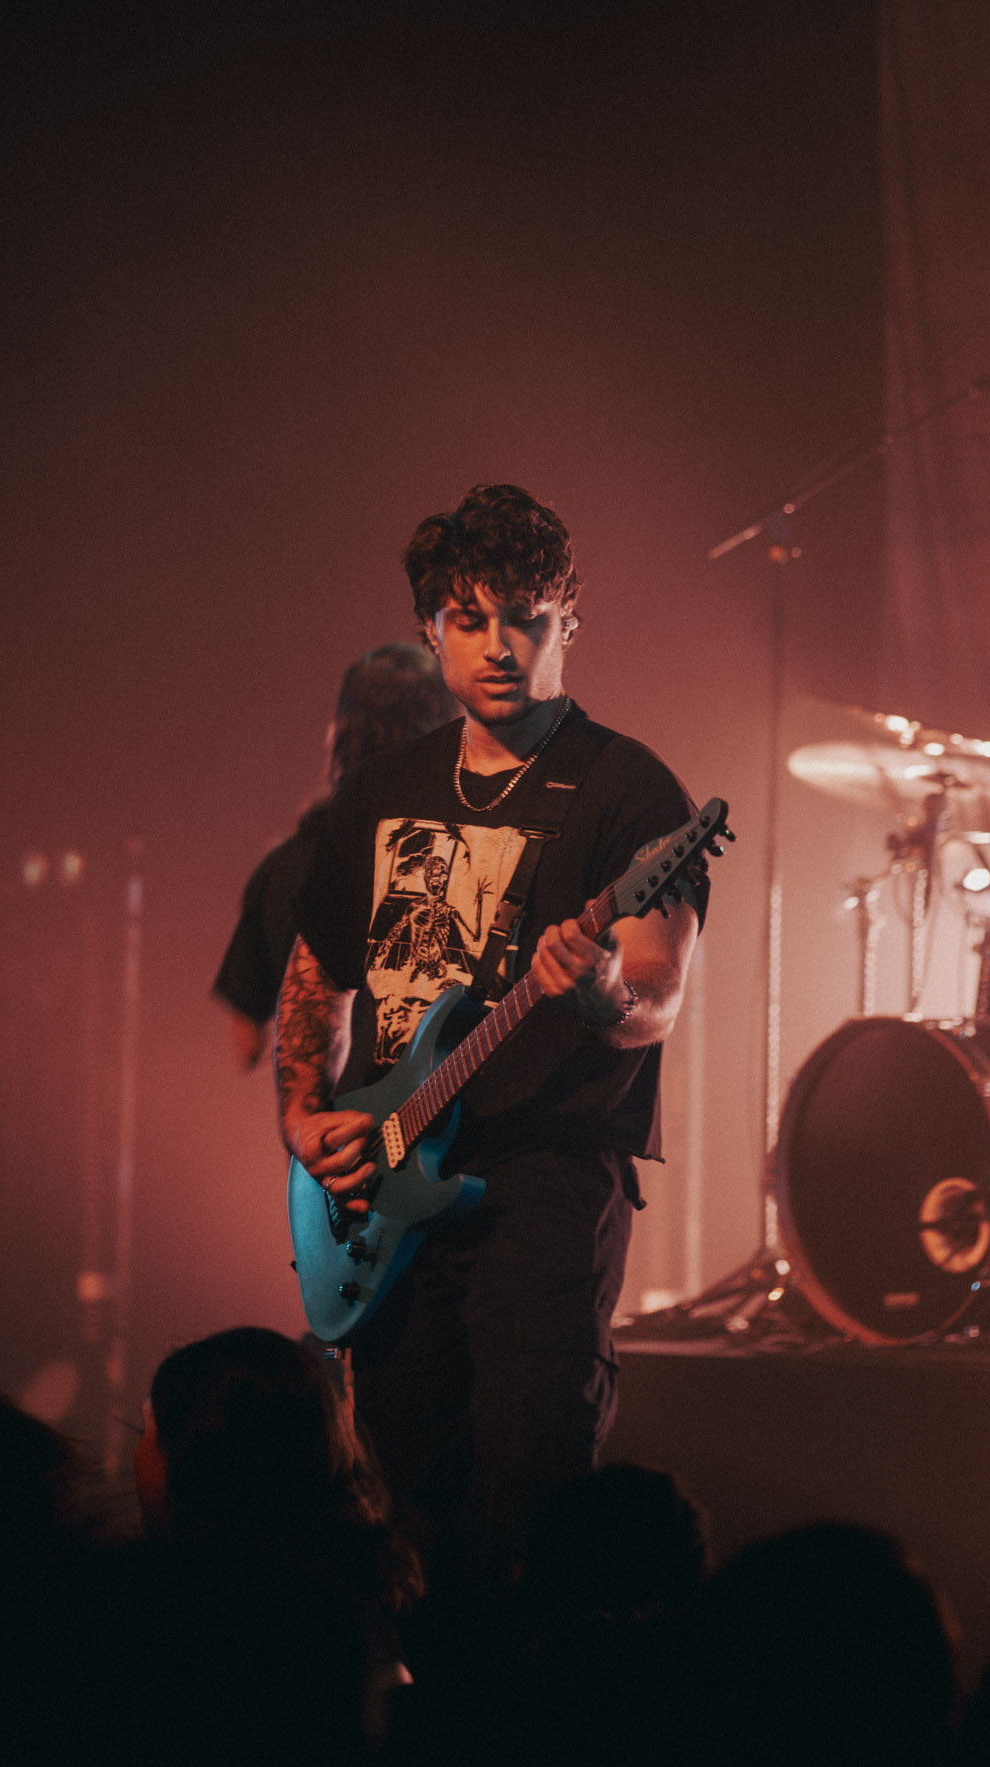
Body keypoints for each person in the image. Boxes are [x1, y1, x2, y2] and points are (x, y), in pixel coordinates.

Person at [275, 482, 707, 1584]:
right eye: (468, 619)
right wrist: (300, 1111)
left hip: (543, 1183)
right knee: (400, 1499)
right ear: (431, 628)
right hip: (382, 1185)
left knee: (528, 1493)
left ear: (569, 619)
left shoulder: (627, 789)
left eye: (525, 616)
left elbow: (658, 995)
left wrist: (602, 986)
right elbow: (317, 969)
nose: (498, 645)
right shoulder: (380, 790)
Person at [213, 640, 454, 1069]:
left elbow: (245, 1042)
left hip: (324, 1125)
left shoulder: (280, 868)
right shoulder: (449, 857)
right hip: (437, 1114)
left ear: (339, 734)